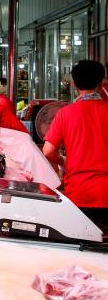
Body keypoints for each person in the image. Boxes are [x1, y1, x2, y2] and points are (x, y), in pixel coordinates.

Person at [43, 60, 108, 208]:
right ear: (101, 83)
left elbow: (48, 151)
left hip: (78, 190)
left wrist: (63, 161)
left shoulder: (65, 113)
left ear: (74, 84)